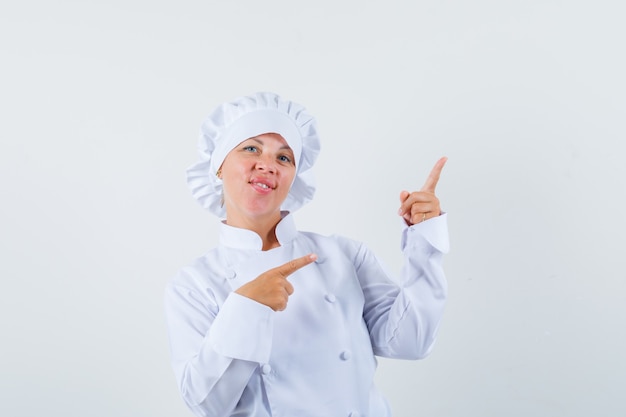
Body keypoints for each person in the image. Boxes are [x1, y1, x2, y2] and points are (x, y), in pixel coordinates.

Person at [164, 92, 449, 417]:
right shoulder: (193, 284)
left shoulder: (344, 255)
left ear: (293, 179)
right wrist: (246, 308)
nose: (267, 165)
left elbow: (412, 341)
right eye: (251, 148)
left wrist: (424, 243)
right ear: (217, 166)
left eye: (284, 158)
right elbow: (207, 404)